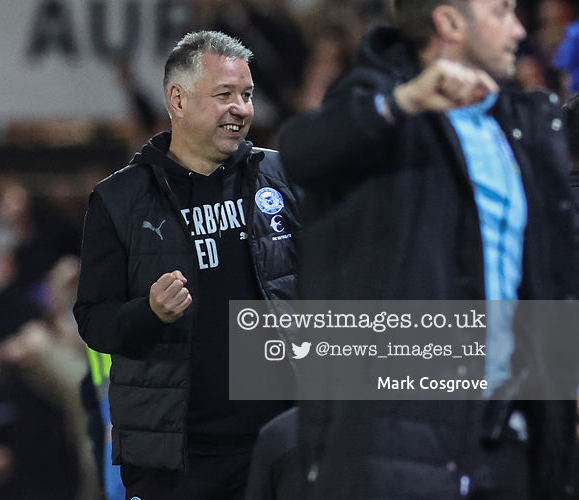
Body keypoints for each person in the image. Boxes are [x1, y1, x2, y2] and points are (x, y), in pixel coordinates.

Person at [279, 0, 577, 498]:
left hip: (507, 434)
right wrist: (401, 102)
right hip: (400, 433)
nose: (519, 29)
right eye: (502, 12)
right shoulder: (383, 108)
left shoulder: (519, 124)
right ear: (450, 22)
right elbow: (302, 150)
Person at [74, 30, 300, 500]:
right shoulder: (118, 200)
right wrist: (149, 313)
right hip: (179, 462)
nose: (241, 108)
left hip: (283, 445)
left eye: (247, 95)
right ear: (177, 99)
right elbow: (94, 321)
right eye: (225, 95)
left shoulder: (284, 178)